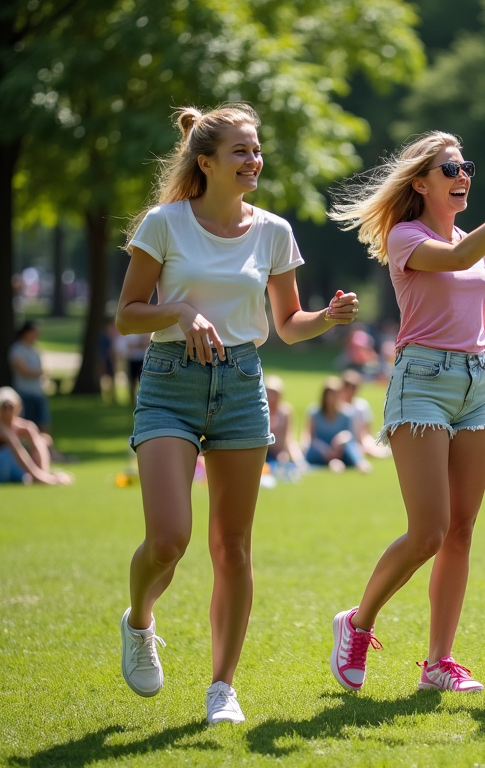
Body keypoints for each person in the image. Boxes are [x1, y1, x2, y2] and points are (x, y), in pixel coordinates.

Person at [115, 103, 358, 724]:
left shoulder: (274, 231)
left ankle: (222, 687)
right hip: (170, 383)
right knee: (169, 539)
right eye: (241, 152)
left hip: (243, 385)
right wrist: (178, 312)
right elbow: (127, 313)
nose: (254, 161)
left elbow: (287, 323)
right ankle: (140, 619)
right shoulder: (164, 224)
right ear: (206, 163)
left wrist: (325, 320)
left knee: (233, 547)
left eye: (256, 151)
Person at [328, 131, 485, 693]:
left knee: (461, 530)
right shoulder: (408, 237)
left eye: (465, 167)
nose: (462, 176)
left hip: (475, 383)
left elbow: (469, 330)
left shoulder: (465, 244)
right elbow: (459, 256)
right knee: (428, 531)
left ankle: (438, 663)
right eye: (450, 169)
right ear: (421, 183)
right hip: (421, 384)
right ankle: (356, 624)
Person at [0, 387, 73, 486]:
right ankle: (36, 477)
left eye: (11, 407)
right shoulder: (2, 429)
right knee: (7, 453)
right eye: (4, 407)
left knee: (42, 440)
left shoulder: (24, 427)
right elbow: (17, 449)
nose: (8, 412)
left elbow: (38, 443)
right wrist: (45, 480)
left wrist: (44, 474)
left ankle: (41, 474)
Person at [304, 375, 371, 473]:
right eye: (330, 394)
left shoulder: (347, 412)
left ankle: (359, 463)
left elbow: (350, 434)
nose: (332, 397)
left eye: (335, 394)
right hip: (321, 449)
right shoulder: (314, 413)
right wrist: (324, 449)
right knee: (312, 451)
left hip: (340, 448)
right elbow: (311, 437)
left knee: (350, 447)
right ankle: (332, 463)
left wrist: (340, 439)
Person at [8, 321, 51, 433]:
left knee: (44, 422)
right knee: (26, 425)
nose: (37, 335)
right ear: (27, 333)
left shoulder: (35, 349)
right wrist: (40, 372)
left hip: (39, 393)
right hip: (25, 393)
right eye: (35, 332)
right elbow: (23, 371)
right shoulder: (17, 350)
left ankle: (46, 448)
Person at [264, 375, 304, 468]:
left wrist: (285, 453)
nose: (272, 397)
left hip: (279, 452)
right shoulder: (261, 412)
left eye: (274, 393)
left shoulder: (285, 412)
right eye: (269, 393)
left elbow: (288, 438)